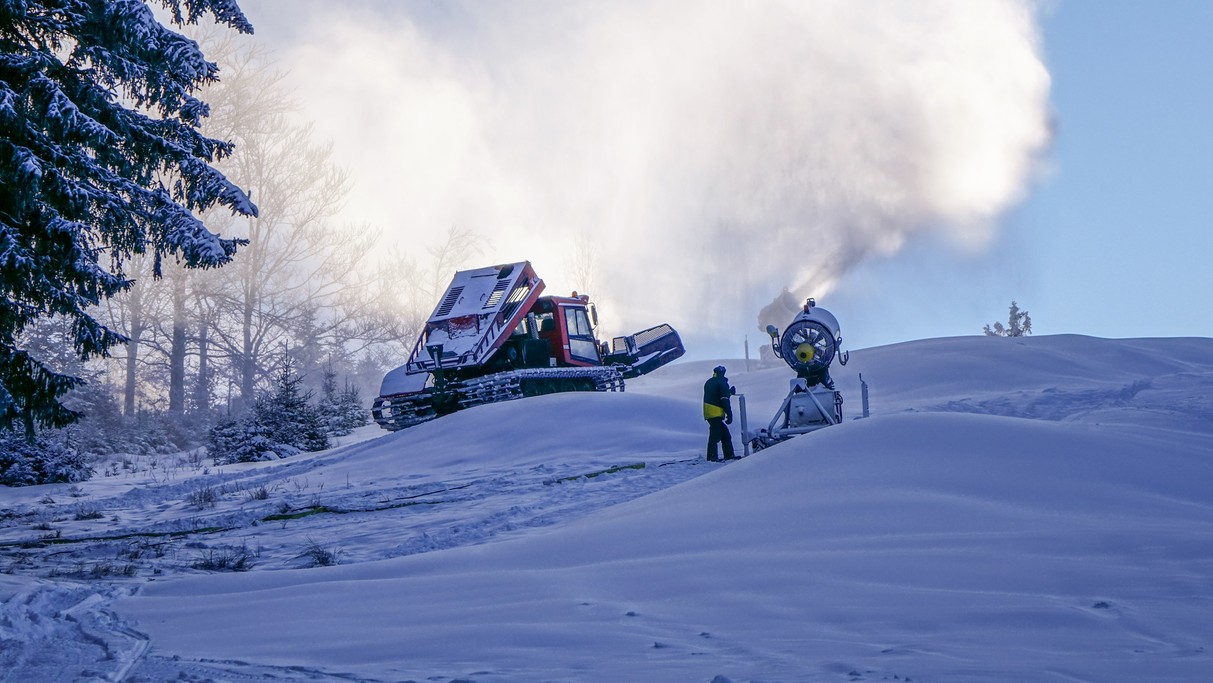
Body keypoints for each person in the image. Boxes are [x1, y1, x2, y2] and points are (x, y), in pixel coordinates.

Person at [702, 365, 736, 461]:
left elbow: (717, 395)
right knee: (716, 435)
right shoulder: (722, 382)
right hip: (716, 412)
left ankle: (727, 456)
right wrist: (729, 414)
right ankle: (712, 457)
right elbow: (724, 399)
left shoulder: (709, 382)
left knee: (724, 435)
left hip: (709, 412)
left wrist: (729, 392)